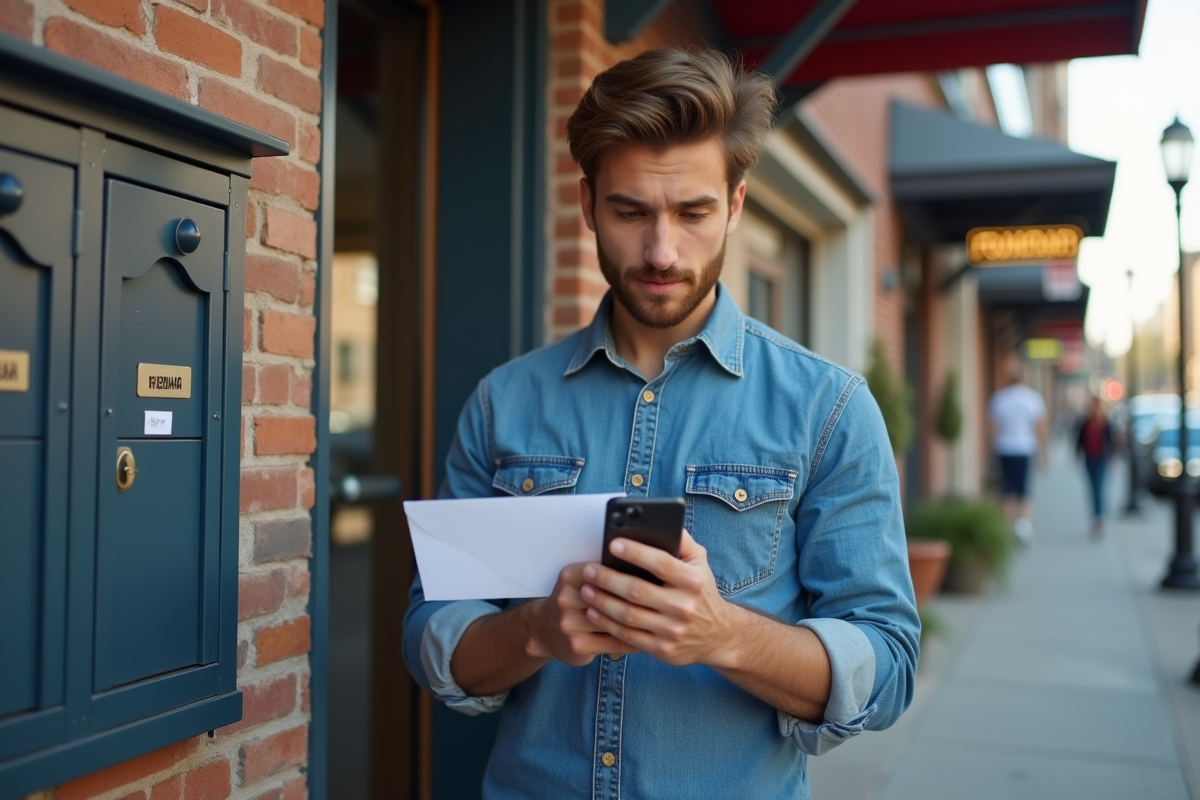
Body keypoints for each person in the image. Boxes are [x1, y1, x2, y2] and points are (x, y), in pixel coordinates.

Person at [402, 48, 919, 799]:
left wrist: (724, 634)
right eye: (630, 211)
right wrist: (537, 633)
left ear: (736, 205)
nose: (661, 251)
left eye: (693, 213)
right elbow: (431, 636)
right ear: (587, 204)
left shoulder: (828, 408)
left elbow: (889, 664)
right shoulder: (502, 404)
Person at [987, 355, 1048, 544]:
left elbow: (993, 429)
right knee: (1024, 492)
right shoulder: (1032, 398)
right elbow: (1040, 427)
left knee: (1006, 491)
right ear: (1022, 378)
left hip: (1005, 448)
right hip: (1024, 449)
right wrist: (1044, 452)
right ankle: (1023, 529)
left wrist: (992, 450)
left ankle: (1005, 530)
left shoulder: (999, 399)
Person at [1076, 396, 1114, 537]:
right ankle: (1095, 517)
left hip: (1101, 459)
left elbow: (1110, 442)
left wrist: (1111, 457)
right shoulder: (1085, 423)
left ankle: (1099, 518)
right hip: (1089, 459)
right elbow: (1080, 440)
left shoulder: (1105, 423)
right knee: (1092, 489)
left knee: (1099, 488)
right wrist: (1077, 456)